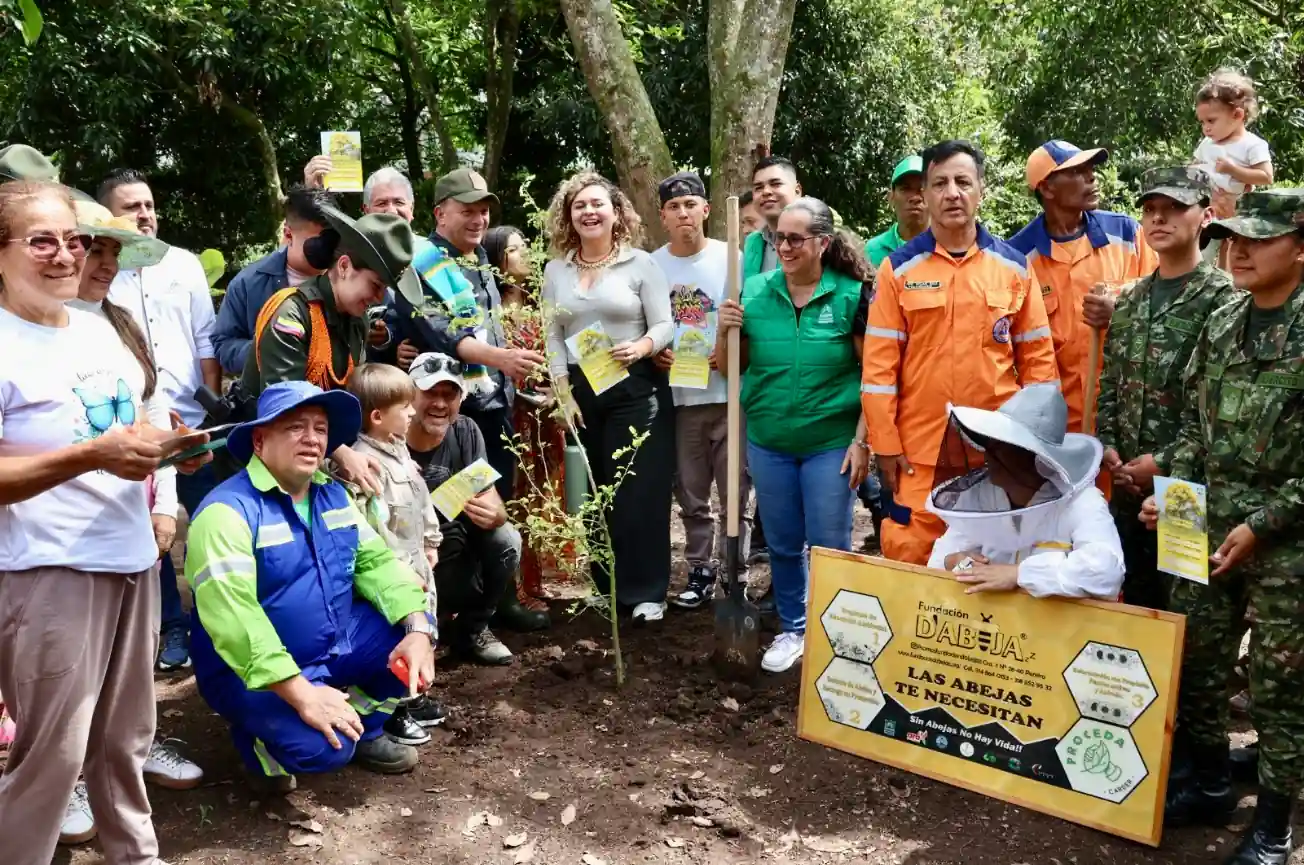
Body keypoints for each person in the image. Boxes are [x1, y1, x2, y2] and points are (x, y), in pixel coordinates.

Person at [0, 180, 209, 865]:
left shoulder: (100, 332)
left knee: (125, 741)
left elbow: (138, 427)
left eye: (74, 239)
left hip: (130, 564)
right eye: (42, 240)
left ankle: (136, 855)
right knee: (52, 758)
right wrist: (92, 453)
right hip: (49, 570)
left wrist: (170, 454)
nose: (64, 255)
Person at [1139, 190, 1304, 865]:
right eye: (1233, 236)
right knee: (1201, 666)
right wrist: (1166, 490)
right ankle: (1208, 784)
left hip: (1286, 544)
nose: (1238, 249)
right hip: (1201, 524)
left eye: (1257, 238)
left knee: (1277, 687)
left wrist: (1262, 524)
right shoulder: (1224, 320)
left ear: (1299, 246)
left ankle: (1272, 826)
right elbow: (1191, 429)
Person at [185, 381, 436, 791]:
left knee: (412, 642)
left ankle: (361, 728)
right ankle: (261, 748)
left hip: (331, 644)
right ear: (260, 440)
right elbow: (236, 620)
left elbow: (378, 565)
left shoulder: (332, 496)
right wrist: (302, 694)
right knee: (323, 751)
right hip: (248, 670)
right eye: (295, 427)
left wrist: (419, 627)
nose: (312, 438)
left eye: (320, 429)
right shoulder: (225, 512)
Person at [862, 140, 1059, 567]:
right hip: (919, 448)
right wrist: (885, 444)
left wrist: (1035, 446)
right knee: (910, 549)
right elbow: (879, 369)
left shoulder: (1014, 268)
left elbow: (1039, 365)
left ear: (980, 190)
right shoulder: (898, 270)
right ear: (927, 195)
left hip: (997, 447)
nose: (952, 192)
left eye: (962, 181)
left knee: (996, 553)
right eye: (940, 183)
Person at [716, 196, 872, 673]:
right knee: (783, 544)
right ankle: (794, 629)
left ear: (823, 243)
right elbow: (729, 370)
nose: (783, 246)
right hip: (769, 441)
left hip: (831, 442)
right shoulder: (755, 292)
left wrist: (861, 439)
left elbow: (874, 375)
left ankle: (838, 637)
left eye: (795, 238)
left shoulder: (852, 294)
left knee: (830, 545)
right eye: (778, 237)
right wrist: (725, 333)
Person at [100, 167, 224, 672]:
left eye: (148, 205)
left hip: (190, 423)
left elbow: (205, 339)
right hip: (135, 430)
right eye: (132, 207)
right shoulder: (99, 273)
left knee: (215, 522)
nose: (145, 215)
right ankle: (171, 628)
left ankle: (216, 625)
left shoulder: (185, 264)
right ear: (108, 217)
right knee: (153, 535)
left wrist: (213, 408)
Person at [1095, 167, 1236, 611]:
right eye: (1151, 210)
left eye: (1175, 208)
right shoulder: (1132, 298)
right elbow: (1110, 384)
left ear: (1206, 215)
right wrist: (1109, 446)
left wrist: (1166, 462)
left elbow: (1224, 405)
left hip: (1188, 488)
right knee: (1134, 609)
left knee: (1186, 614)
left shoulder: (1224, 298)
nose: (1159, 218)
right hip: (1127, 486)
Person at [543, 172, 677, 621]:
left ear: (616, 213)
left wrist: (642, 347)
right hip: (582, 390)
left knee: (638, 492)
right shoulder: (556, 269)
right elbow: (552, 335)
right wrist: (563, 392)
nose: (589, 212)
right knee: (595, 493)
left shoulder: (640, 264)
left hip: (636, 386)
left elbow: (665, 325)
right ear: (569, 216)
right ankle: (606, 587)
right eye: (579, 205)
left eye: (598, 204)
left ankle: (646, 593)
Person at [234, 204, 425, 492]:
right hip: (264, 461)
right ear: (345, 266)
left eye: (385, 289)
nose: (378, 297)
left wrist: (393, 456)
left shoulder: (357, 320)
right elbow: (286, 405)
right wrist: (343, 453)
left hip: (317, 455)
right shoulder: (292, 313)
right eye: (375, 285)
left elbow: (358, 394)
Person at [400, 168, 544, 505]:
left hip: (496, 411)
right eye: (467, 211)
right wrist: (503, 359)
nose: (478, 219)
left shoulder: (481, 259)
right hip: (447, 415)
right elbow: (444, 335)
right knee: (452, 512)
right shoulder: (420, 267)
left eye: (483, 211)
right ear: (440, 213)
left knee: (495, 506)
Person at [648, 172, 750, 609]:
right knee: (691, 493)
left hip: (730, 396)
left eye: (691, 204)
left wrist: (727, 350)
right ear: (663, 217)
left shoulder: (735, 259)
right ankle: (700, 570)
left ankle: (736, 573)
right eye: (674, 207)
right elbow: (646, 326)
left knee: (736, 493)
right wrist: (656, 355)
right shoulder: (652, 265)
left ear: (706, 210)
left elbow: (753, 321)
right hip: (681, 400)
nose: (683, 212)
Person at [1006, 141, 1157, 436]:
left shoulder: (1125, 234)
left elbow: (1162, 301)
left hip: (1128, 413)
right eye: (1078, 171)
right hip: (1057, 424)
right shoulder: (1016, 258)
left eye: (1091, 169)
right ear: (1047, 188)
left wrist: (1121, 311)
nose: (1092, 177)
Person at [927, 385, 1124, 599]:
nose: (989, 456)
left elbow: (1106, 571)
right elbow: (940, 559)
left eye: (1003, 446)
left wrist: (1019, 574)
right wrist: (956, 561)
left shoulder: (1082, 502)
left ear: (1033, 457)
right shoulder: (982, 495)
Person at [345, 363, 447, 744]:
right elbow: (364, 526)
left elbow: (421, 502)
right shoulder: (364, 464)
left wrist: (431, 542)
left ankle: (413, 695)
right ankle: (392, 712)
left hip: (417, 563)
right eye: (404, 407)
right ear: (376, 416)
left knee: (424, 630)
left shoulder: (400, 452)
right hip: (393, 573)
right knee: (398, 635)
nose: (411, 413)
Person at [406, 353, 521, 664]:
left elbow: (489, 495)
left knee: (507, 539)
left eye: (450, 394)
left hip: (454, 553)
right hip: (404, 560)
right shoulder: (389, 435)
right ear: (410, 394)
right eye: (431, 392)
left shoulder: (466, 431)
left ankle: (471, 631)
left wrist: (498, 513)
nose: (440, 404)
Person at [484, 224, 562, 616]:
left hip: (542, 413)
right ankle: (510, 587)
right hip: (509, 412)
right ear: (497, 257)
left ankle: (536, 579)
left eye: (526, 247)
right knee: (511, 495)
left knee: (540, 496)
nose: (525, 255)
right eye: (514, 250)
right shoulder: (491, 309)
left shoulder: (540, 303)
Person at [212, 185, 336, 374]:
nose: (326, 249)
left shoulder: (348, 276)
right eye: (318, 242)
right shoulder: (248, 283)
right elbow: (223, 345)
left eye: (331, 241)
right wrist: (269, 348)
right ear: (288, 234)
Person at [1194, 68, 1274, 219]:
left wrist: (1232, 170)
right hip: (1205, 211)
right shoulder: (1207, 143)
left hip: (1236, 215)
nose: (1206, 128)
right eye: (1202, 122)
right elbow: (1195, 165)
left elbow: (1266, 177)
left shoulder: (1252, 144)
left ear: (1237, 115)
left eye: (1211, 120)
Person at [743, 156, 803, 284]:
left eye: (775, 184)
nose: (766, 192)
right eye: (758, 187)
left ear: (797, 191)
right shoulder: (752, 242)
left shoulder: (815, 240)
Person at [864, 154, 928, 268]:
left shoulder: (948, 247)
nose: (915, 197)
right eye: (905, 189)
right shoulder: (872, 251)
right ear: (891, 197)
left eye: (922, 189)